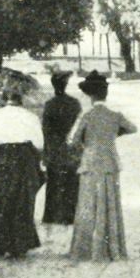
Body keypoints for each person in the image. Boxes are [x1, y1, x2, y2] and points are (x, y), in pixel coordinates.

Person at [68, 71, 137, 262]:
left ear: (90, 96)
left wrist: (86, 144)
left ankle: (86, 250)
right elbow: (132, 128)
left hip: (90, 163)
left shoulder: (87, 116)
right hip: (110, 163)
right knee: (110, 204)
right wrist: (114, 134)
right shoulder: (115, 115)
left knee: (88, 204)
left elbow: (74, 141)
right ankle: (111, 248)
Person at [0, 72, 45, 258]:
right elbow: (39, 143)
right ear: (21, 98)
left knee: (0, 198)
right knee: (22, 200)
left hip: (3, 158)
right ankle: (19, 244)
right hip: (24, 158)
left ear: (4, 97)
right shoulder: (30, 117)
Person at [41, 68, 83, 225]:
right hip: (70, 147)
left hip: (54, 147)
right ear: (66, 85)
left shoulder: (49, 105)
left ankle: (52, 215)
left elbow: (45, 130)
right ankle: (70, 215)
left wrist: (45, 153)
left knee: (53, 181)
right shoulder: (74, 104)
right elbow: (79, 127)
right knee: (71, 181)